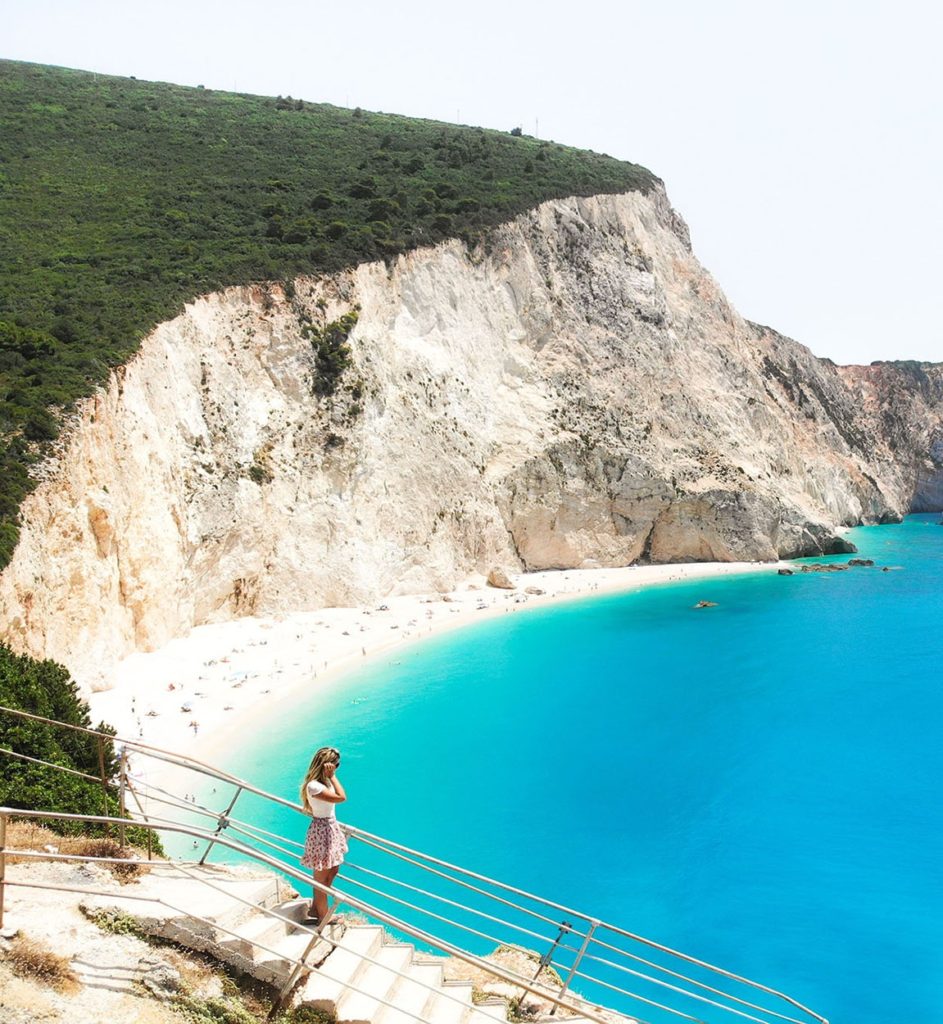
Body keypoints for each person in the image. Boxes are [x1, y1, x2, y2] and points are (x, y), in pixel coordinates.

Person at [299, 746, 348, 925]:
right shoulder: (314, 786)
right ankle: (323, 915)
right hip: (322, 832)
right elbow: (341, 798)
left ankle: (316, 908)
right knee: (321, 876)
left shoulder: (323, 783)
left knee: (333, 870)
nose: (336, 768)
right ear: (326, 765)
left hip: (329, 828)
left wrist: (330, 778)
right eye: (335, 765)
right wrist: (333, 777)